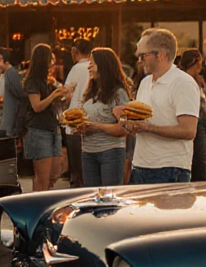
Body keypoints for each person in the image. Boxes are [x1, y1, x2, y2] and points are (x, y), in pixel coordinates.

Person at [122, 29, 200, 185]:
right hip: (140, 166)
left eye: (143, 55)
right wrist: (128, 124)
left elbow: (189, 131)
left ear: (161, 55)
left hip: (170, 168)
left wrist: (148, 128)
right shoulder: (145, 83)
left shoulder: (183, 83)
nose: (139, 60)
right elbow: (142, 121)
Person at [76, 47, 131, 187]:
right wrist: (81, 126)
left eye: (92, 63)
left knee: (108, 197)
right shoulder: (91, 91)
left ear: (103, 66)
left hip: (110, 152)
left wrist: (96, 126)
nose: (89, 67)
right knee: (91, 196)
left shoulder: (118, 93)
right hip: (88, 152)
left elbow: (124, 129)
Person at [23, 44, 69, 191]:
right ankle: (37, 207)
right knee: (41, 177)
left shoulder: (49, 80)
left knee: (54, 173)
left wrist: (64, 95)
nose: (53, 63)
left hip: (53, 128)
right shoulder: (32, 81)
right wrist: (54, 95)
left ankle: (46, 204)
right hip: (39, 130)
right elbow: (37, 106)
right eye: (51, 59)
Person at [177, 50, 206, 182]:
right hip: (193, 120)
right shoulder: (184, 80)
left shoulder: (199, 80)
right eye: (200, 62)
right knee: (200, 160)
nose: (201, 66)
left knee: (203, 158)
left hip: (204, 121)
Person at [63, 40, 93, 187]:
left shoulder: (76, 69)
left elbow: (67, 94)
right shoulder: (93, 68)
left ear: (75, 51)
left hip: (74, 122)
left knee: (76, 169)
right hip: (90, 121)